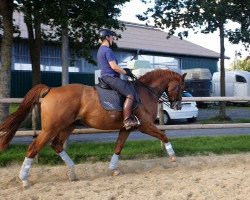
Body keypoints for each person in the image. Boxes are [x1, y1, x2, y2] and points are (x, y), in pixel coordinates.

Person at [97, 29, 140, 131]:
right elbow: (114, 67)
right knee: (130, 95)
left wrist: (124, 70)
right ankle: (127, 120)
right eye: (111, 36)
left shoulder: (100, 50)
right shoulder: (108, 50)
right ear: (107, 37)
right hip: (110, 77)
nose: (112, 38)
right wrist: (126, 72)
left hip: (105, 76)